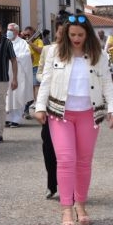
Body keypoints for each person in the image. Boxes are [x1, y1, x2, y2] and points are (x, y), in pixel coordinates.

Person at [34, 14, 113, 225]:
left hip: (88, 114)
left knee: (83, 161)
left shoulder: (98, 55)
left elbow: (107, 83)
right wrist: (40, 107)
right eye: (72, 34)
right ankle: (66, 209)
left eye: (80, 34)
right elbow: (46, 81)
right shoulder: (54, 52)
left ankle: (80, 204)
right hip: (60, 113)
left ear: (88, 35)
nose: (76, 38)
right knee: (65, 160)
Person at [36, 20, 63, 199]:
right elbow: (39, 72)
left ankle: (71, 184)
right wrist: (48, 78)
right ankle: (51, 183)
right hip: (50, 100)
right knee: (48, 143)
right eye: (60, 32)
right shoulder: (48, 50)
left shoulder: (79, 50)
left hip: (70, 105)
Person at [6, 23, 32, 127]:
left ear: (16, 32)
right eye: (8, 29)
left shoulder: (22, 43)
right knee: (7, 97)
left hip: (18, 74)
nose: (9, 31)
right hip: (6, 73)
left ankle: (16, 119)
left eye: (11, 30)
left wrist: (14, 57)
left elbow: (27, 55)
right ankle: (8, 118)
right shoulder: (4, 42)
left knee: (17, 96)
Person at [22, 26, 44, 119]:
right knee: (27, 91)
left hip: (36, 67)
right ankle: (26, 109)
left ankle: (38, 108)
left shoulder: (38, 41)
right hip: (25, 68)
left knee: (36, 88)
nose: (27, 36)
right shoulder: (23, 43)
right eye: (25, 34)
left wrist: (31, 44)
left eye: (28, 34)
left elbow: (41, 51)